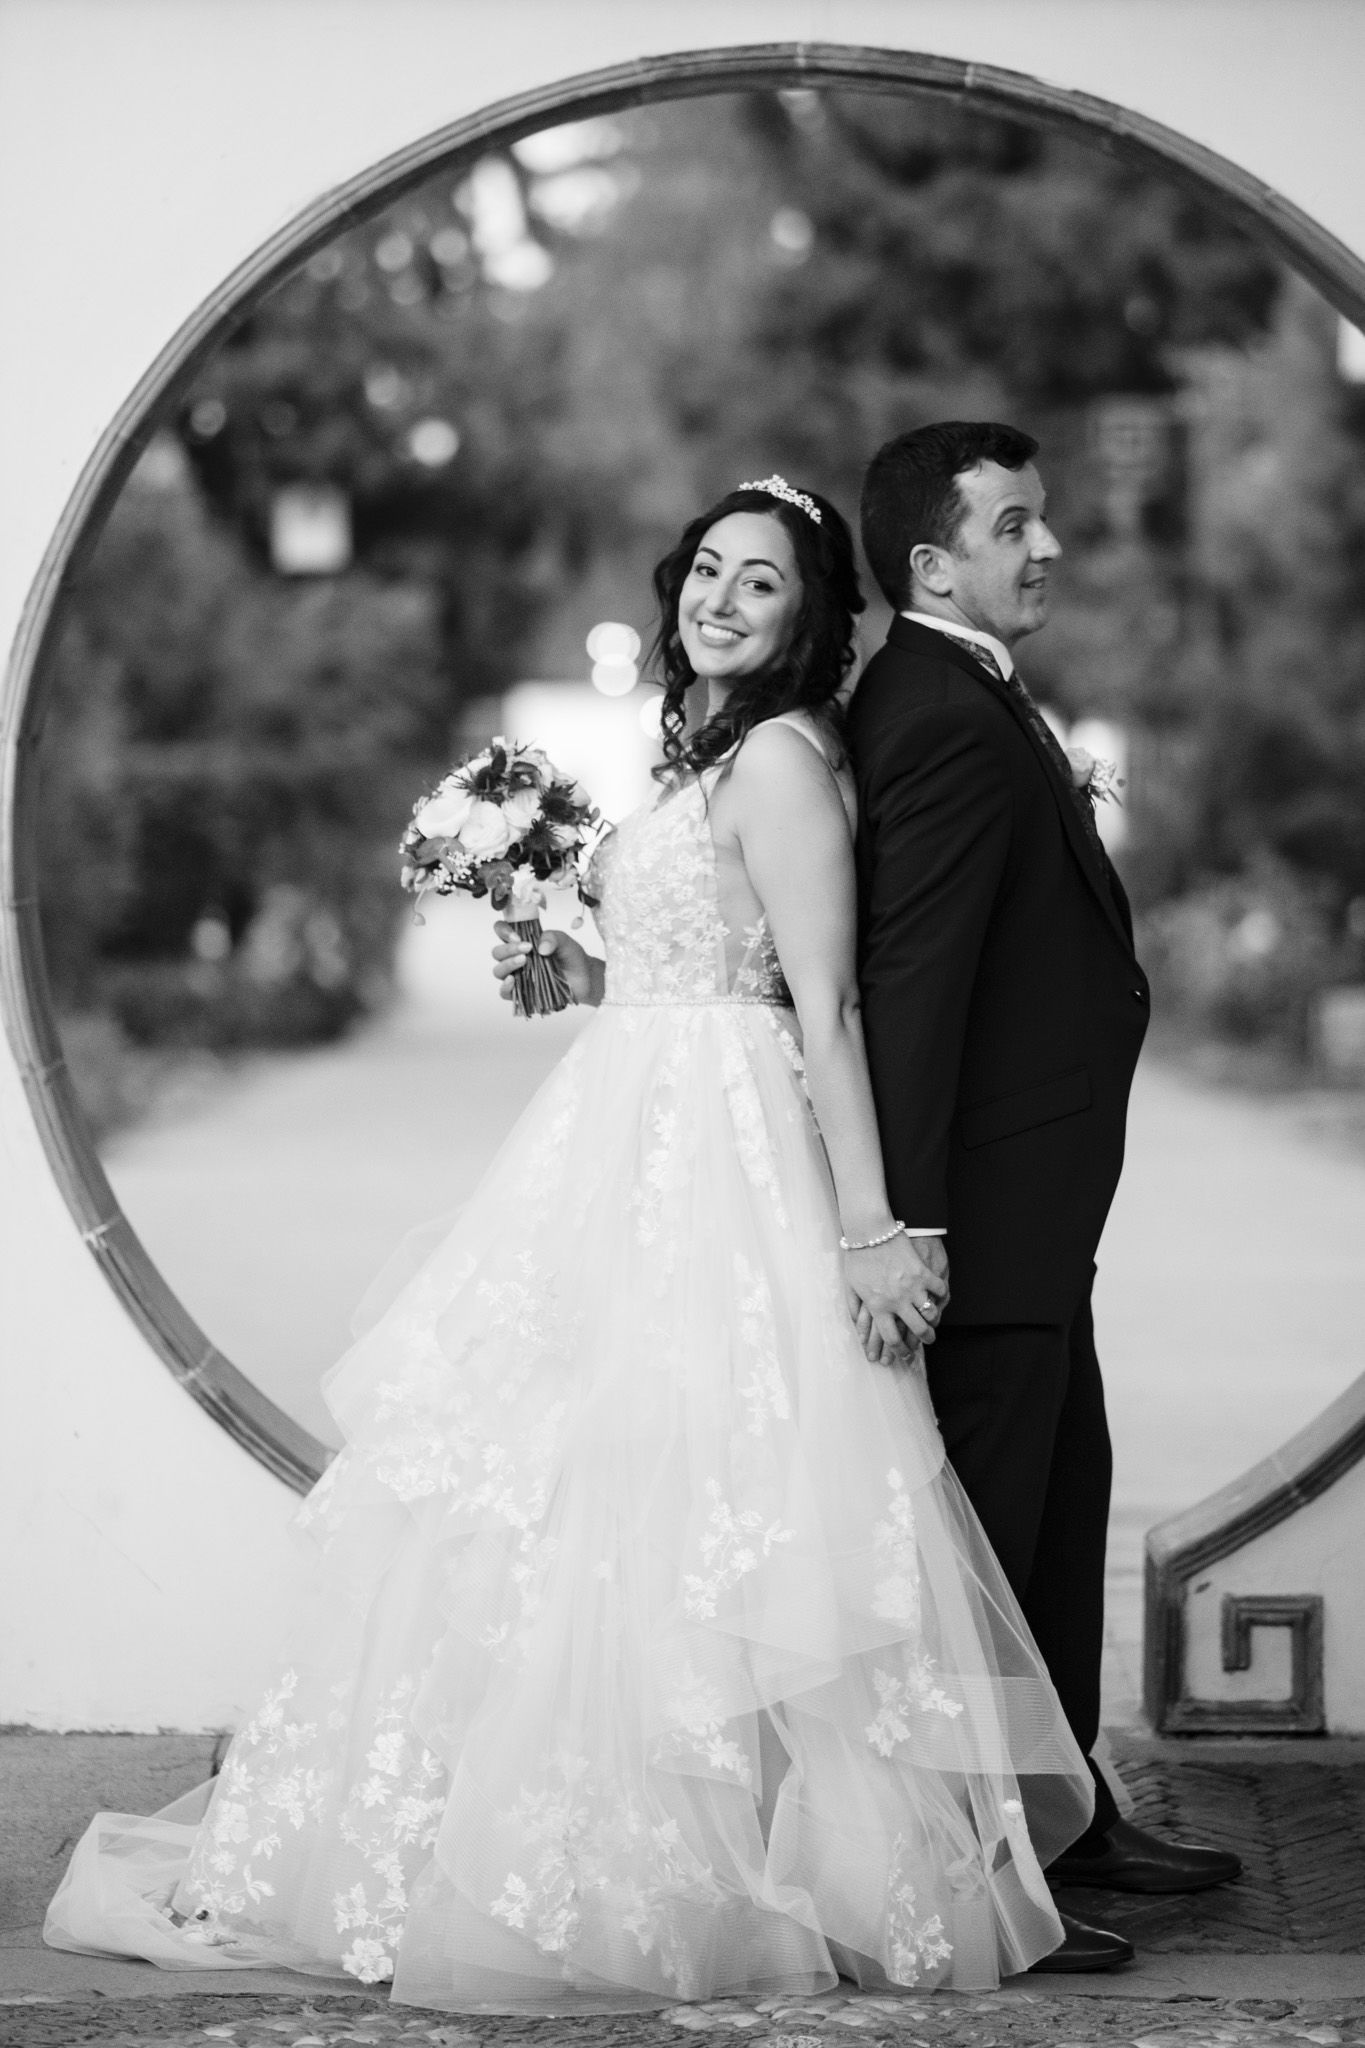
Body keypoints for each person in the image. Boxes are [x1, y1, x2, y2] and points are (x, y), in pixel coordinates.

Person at [47, 479, 1096, 2009]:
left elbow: (824, 1002)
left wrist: (870, 1227)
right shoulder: (695, 757)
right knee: (564, 1474)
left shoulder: (791, 763)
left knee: (709, 1480)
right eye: (710, 573)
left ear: (808, 623)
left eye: (764, 585)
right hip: (623, 1131)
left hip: (727, 1155)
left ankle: (715, 1849)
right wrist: (580, 954)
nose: (722, 601)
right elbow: (682, 967)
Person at [849, 422, 1241, 1973]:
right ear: (932, 562)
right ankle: (984, 1869)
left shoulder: (965, 693)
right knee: (993, 1547)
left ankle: (1066, 1811)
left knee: (1061, 1503)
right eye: (1016, 525)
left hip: (1035, 1210)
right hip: (985, 1221)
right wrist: (911, 1223)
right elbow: (914, 982)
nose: (1049, 547)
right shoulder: (935, 716)